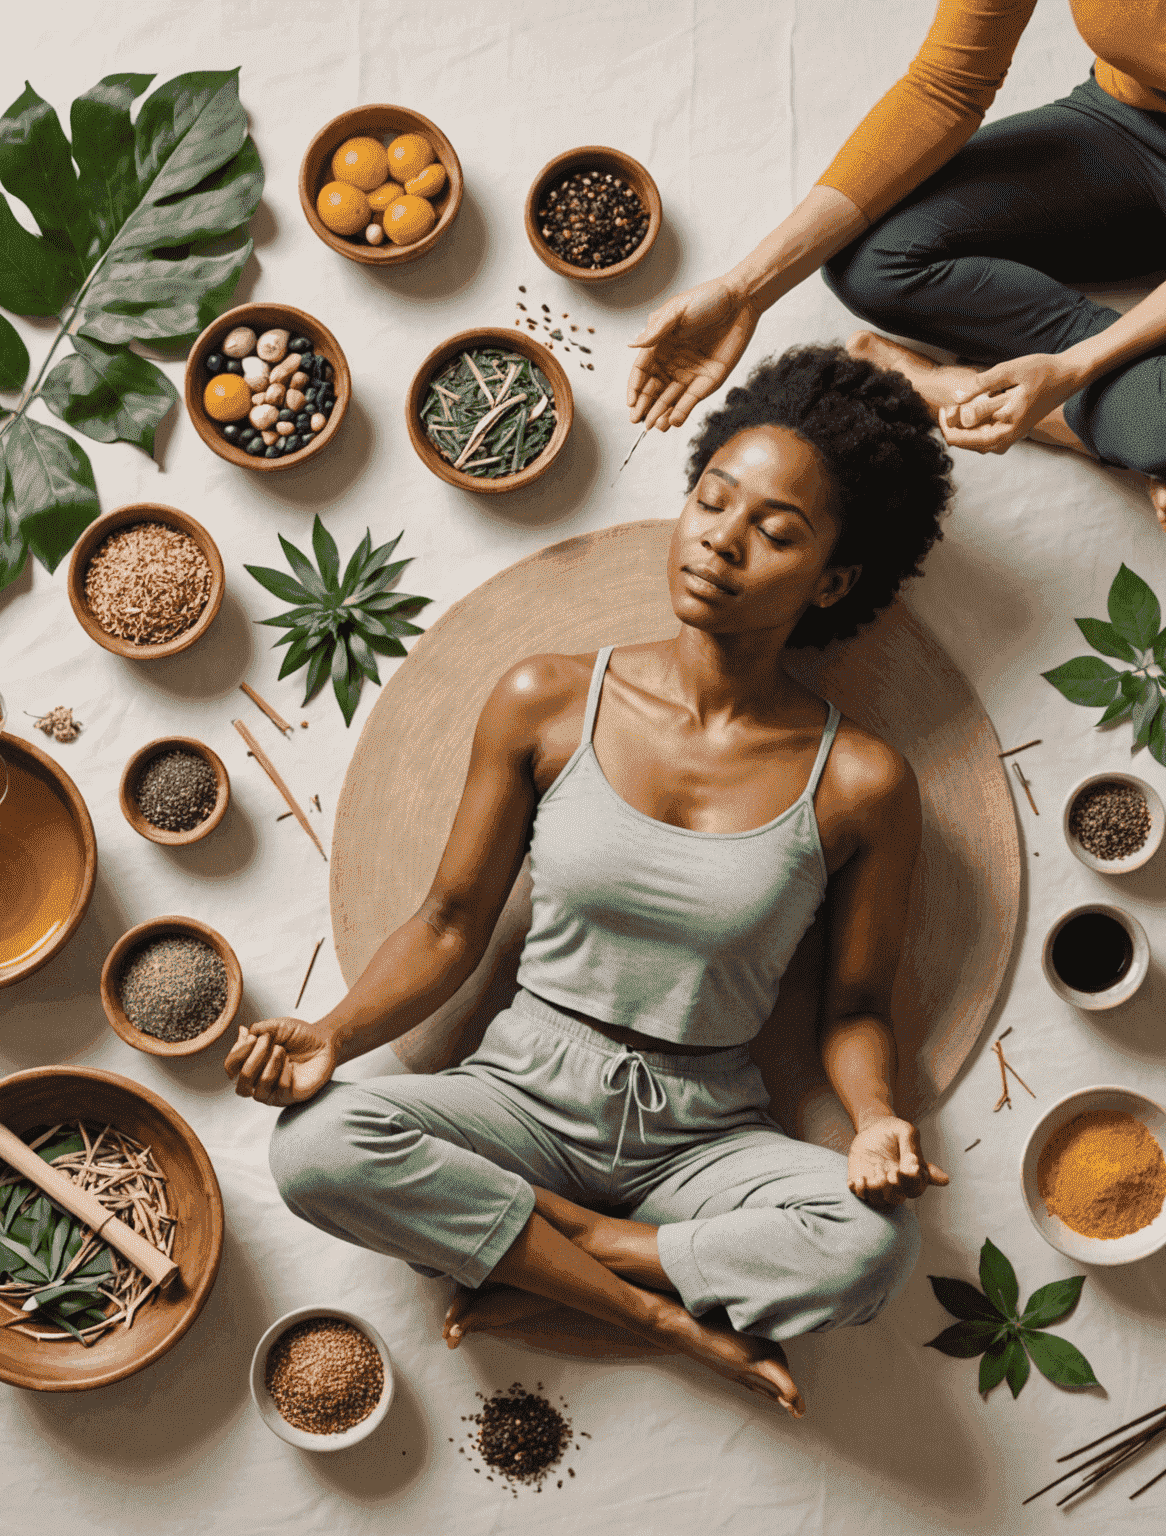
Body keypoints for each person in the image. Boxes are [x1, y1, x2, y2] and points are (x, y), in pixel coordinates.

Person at [227, 347, 953, 1418]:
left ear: (833, 581)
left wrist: (879, 1117)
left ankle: (553, 1258)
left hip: (705, 1136)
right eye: (713, 500)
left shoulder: (862, 781)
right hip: (518, 1096)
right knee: (317, 1148)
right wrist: (334, 1034)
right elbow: (448, 921)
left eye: (778, 532)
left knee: (874, 1249)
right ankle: (654, 1313)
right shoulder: (547, 700)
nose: (722, 539)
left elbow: (851, 1006)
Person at [627, 0, 1166, 543]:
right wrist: (746, 288)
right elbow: (945, 86)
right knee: (867, 259)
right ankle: (1145, 415)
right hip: (1125, 132)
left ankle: (980, 392)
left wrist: (1074, 366)